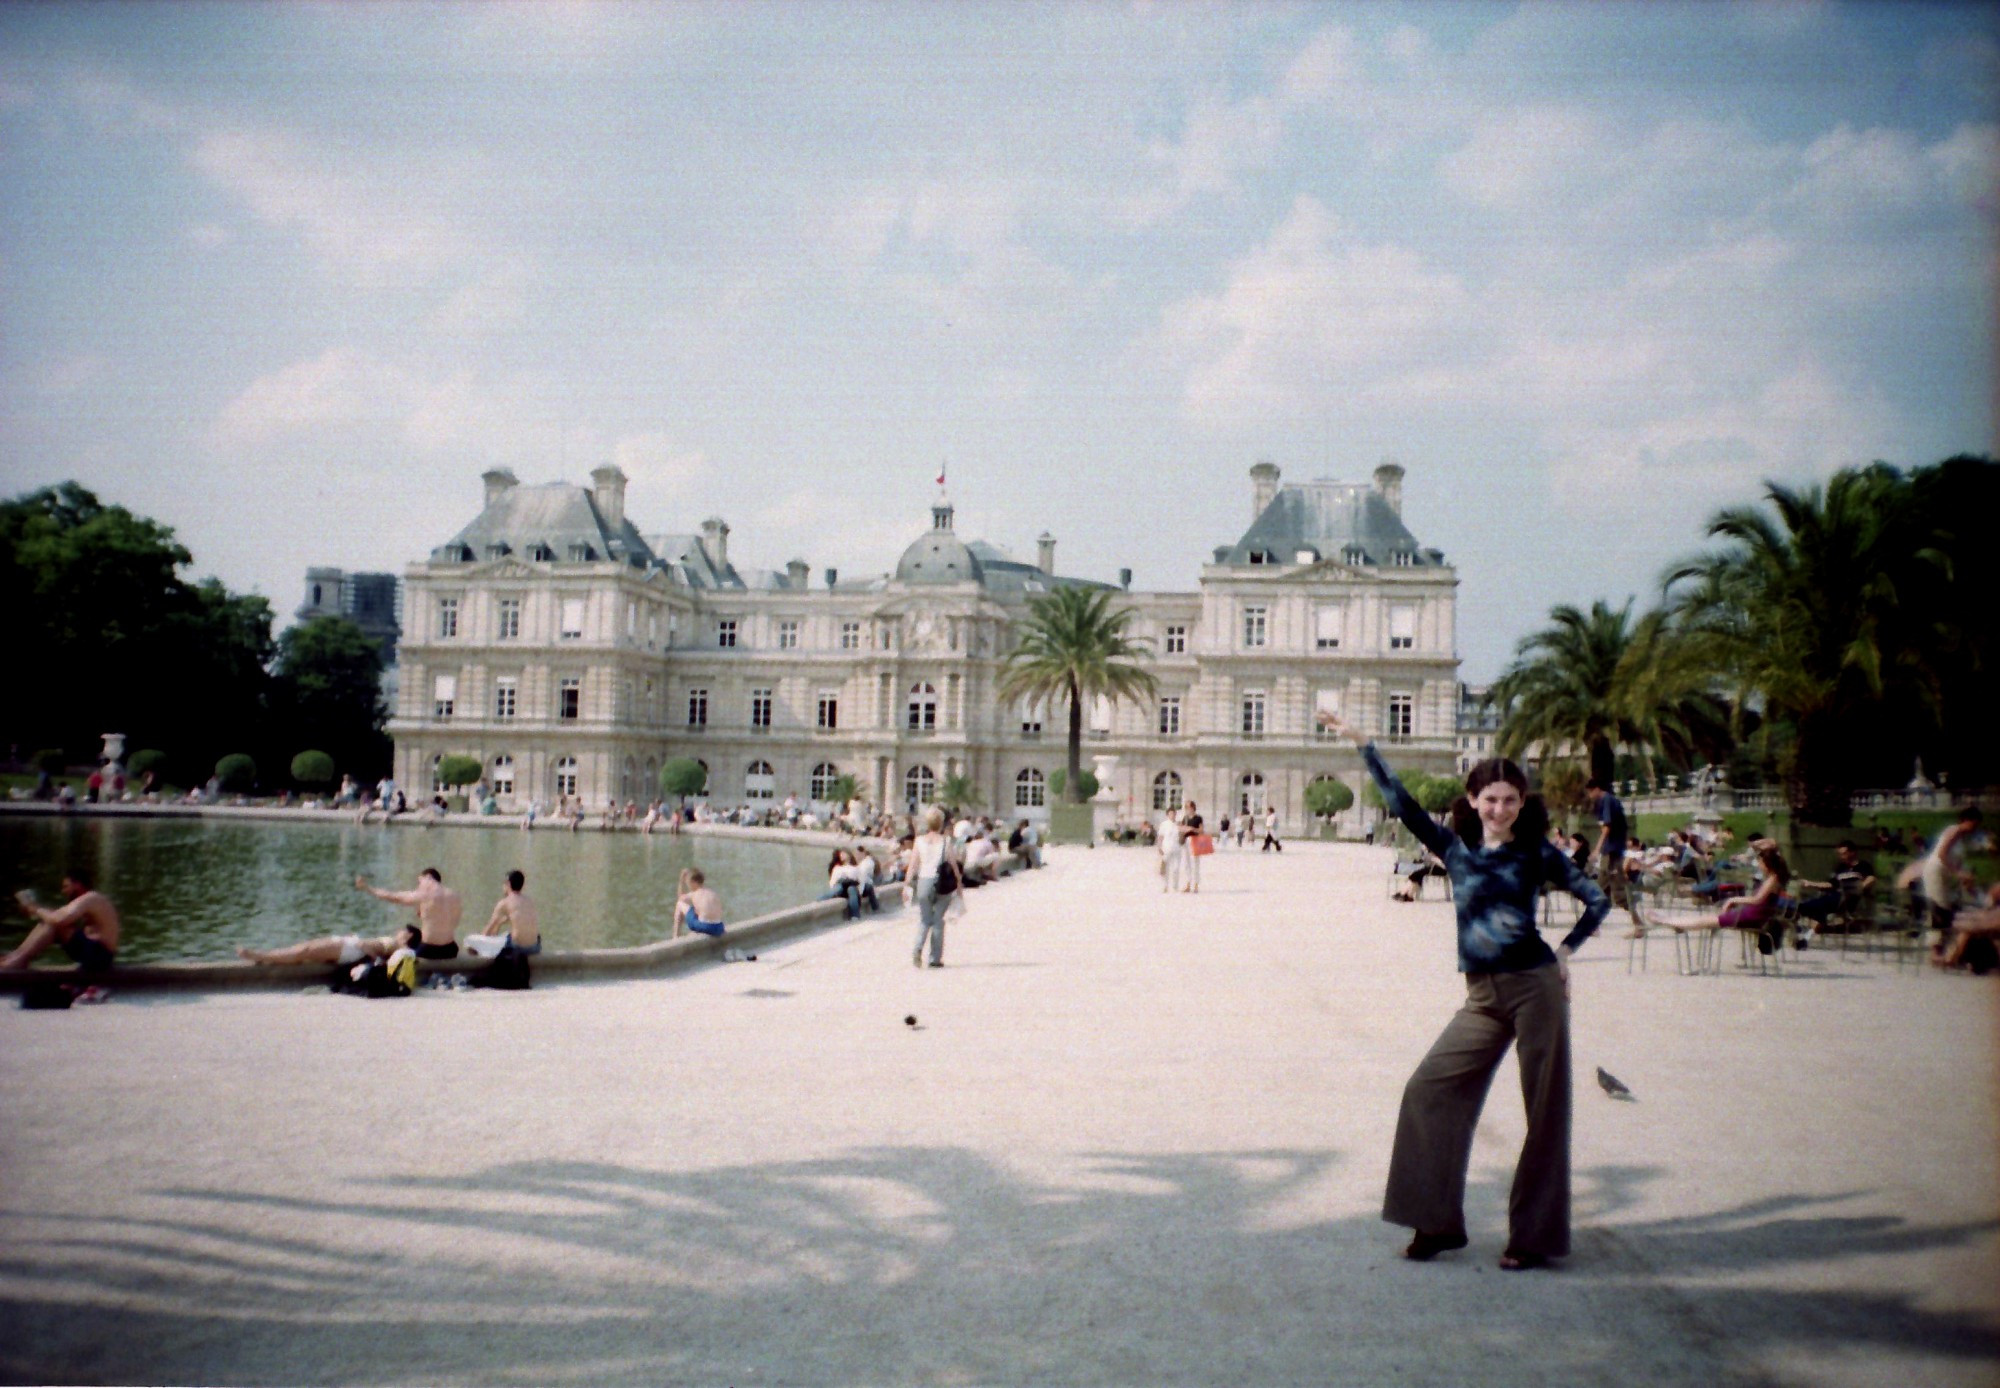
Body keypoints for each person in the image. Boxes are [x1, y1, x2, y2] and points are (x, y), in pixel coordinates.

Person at [1321, 709, 1610, 1272]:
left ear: (1521, 804)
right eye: (1490, 798)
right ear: (1472, 800)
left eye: (1510, 799)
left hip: (1535, 989)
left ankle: (1532, 1238)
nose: (1499, 808)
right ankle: (1435, 1223)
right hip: (1482, 995)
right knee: (1428, 1090)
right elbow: (1401, 803)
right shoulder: (1454, 848)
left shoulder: (1536, 853)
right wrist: (1365, 744)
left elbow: (1596, 900)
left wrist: (1565, 953)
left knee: (1545, 1111)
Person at [5, 872, 121, 974]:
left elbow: (58, 920)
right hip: (95, 953)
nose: (63, 891)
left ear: (77, 885)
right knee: (48, 921)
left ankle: (17, 961)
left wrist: (35, 909)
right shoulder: (86, 900)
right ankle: (16, 957)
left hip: (100, 957)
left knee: (54, 925)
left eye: (66, 887)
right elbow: (54, 915)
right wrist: (34, 910)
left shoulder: (90, 898)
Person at [354, 868, 463, 960]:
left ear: (427, 877)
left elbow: (392, 897)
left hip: (429, 950)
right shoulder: (454, 895)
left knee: (402, 948)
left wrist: (367, 888)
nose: (418, 886)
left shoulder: (425, 893)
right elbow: (451, 921)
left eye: (419, 882)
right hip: (451, 950)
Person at [1919, 806, 1984, 954]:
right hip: (1936, 870)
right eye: (1973, 824)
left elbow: (1957, 861)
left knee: (1948, 906)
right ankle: (1935, 946)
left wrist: (1966, 878)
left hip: (1946, 873)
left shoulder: (1962, 839)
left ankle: (1947, 945)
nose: (1974, 828)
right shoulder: (1954, 830)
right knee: (1938, 906)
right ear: (1966, 820)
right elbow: (1942, 853)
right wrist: (1958, 873)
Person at [904, 806, 958, 968]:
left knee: (925, 919)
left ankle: (917, 948)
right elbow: (953, 864)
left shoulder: (919, 841)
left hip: (923, 882)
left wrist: (906, 885)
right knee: (938, 920)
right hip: (941, 883)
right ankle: (935, 958)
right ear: (942, 823)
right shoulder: (945, 841)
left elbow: (913, 865)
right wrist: (959, 884)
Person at [239, 926, 406, 968]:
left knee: (303, 952)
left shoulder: (396, 946)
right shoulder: (393, 942)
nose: (401, 930)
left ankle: (260, 956)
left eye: (405, 931)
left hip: (350, 949)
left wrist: (366, 949)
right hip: (348, 945)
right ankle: (263, 955)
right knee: (303, 948)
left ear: (409, 935)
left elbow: (374, 952)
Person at [1584, 779, 1632, 922]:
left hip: (1612, 850)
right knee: (1601, 889)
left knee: (1618, 892)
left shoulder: (1607, 801)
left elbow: (1607, 827)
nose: (1590, 795)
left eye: (1590, 792)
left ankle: (1643, 919)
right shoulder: (1609, 801)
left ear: (1597, 789)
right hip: (1612, 850)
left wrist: (1597, 849)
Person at [469, 869, 541, 956]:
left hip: (517, 948)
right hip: (535, 947)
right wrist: (500, 923)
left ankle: (475, 968)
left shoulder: (505, 902)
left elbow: (487, 933)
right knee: (507, 935)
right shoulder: (529, 901)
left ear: (508, 884)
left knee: (470, 941)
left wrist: (478, 944)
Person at [674, 868, 725, 938]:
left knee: (679, 904)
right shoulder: (712, 893)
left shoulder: (695, 893)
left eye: (688, 882)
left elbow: (680, 898)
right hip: (719, 927)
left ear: (694, 882)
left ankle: (675, 937)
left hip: (706, 927)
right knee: (696, 912)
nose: (688, 885)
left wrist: (681, 881)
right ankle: (695, 931)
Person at [1158, 809, 1183, 892]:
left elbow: (1182, 835)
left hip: (1177, 848)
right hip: (1167, 847)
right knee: (1166, 868)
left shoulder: (1178, 824)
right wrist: (1159, 847)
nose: (1172, 815)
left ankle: (1175, 886)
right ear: (1167, 815)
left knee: (1176, 868)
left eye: (1173, 814)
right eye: (1170, 814)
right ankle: (1165, 885)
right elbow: (1161, 836)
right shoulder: (1164, 824)